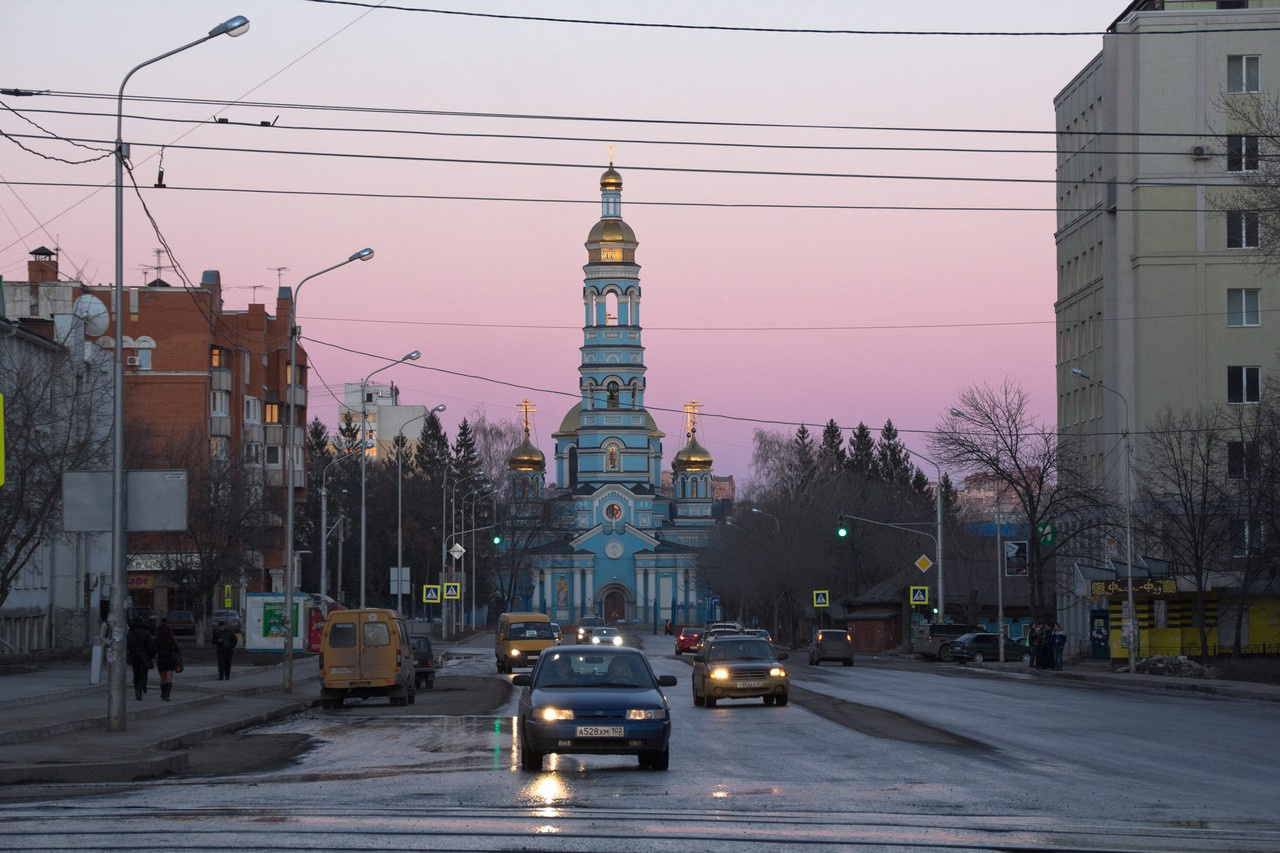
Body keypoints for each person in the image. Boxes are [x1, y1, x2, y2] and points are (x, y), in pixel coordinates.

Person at [125, 617, 155, 700]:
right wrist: (152, 655)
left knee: (136, 674)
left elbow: (127, 645)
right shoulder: (146, 633)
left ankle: (137, 690)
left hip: (134, 656)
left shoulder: (130, 633)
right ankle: (140, 688)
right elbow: (151, 646)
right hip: (144, 656)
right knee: (143, 674)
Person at [154, 619, 180, 702]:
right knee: (169, 677)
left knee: (162, 677)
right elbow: (177, 648)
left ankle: (163, 693)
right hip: (170, 659)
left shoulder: (157, 639)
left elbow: (153, 649)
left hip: (161, 659)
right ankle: (167, 695)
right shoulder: (171, 638)